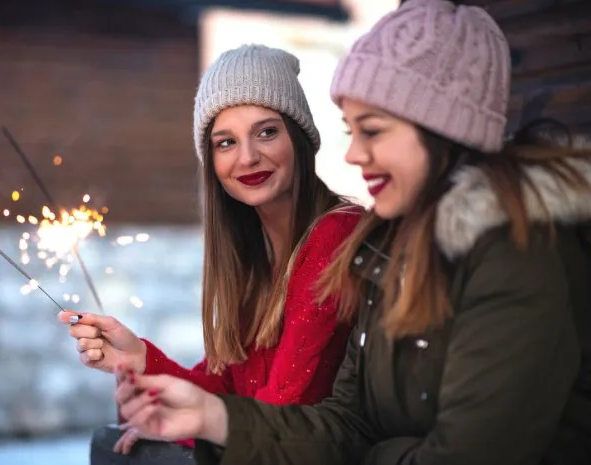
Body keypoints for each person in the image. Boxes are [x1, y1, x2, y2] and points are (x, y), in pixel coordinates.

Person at [110, 1, 591, 464]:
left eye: (374, 131)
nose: (353, 155)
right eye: (225, 142)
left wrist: (374, 455)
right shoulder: (389, 257)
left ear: (443, 128)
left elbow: (457, 452)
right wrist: (208, 415)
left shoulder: (516, 258)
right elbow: (348, 425)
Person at [59, 44, 362, 464]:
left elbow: (281, 411)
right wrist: (140, 359)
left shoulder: (336, 233)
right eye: (225, 142)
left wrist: (188, 425)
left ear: (300, 136)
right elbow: (223, 390)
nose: (248, 156)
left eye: (267, 131)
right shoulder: (253, 257)